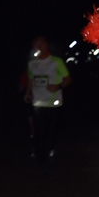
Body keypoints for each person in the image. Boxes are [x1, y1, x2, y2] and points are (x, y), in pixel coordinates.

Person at [25, 36, 71, 170]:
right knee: (39, 131)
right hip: (38, 102)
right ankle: (41, 159)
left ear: (47, 45)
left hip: (54, 103)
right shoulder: (32, 63)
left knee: (51, 131)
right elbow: (30, 80)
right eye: (36, 44)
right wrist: (27, 93)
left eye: (41, 43)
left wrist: (58, 86)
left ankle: (50, 151)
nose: (39, 46)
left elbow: (68, 79)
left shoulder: (56, 62)